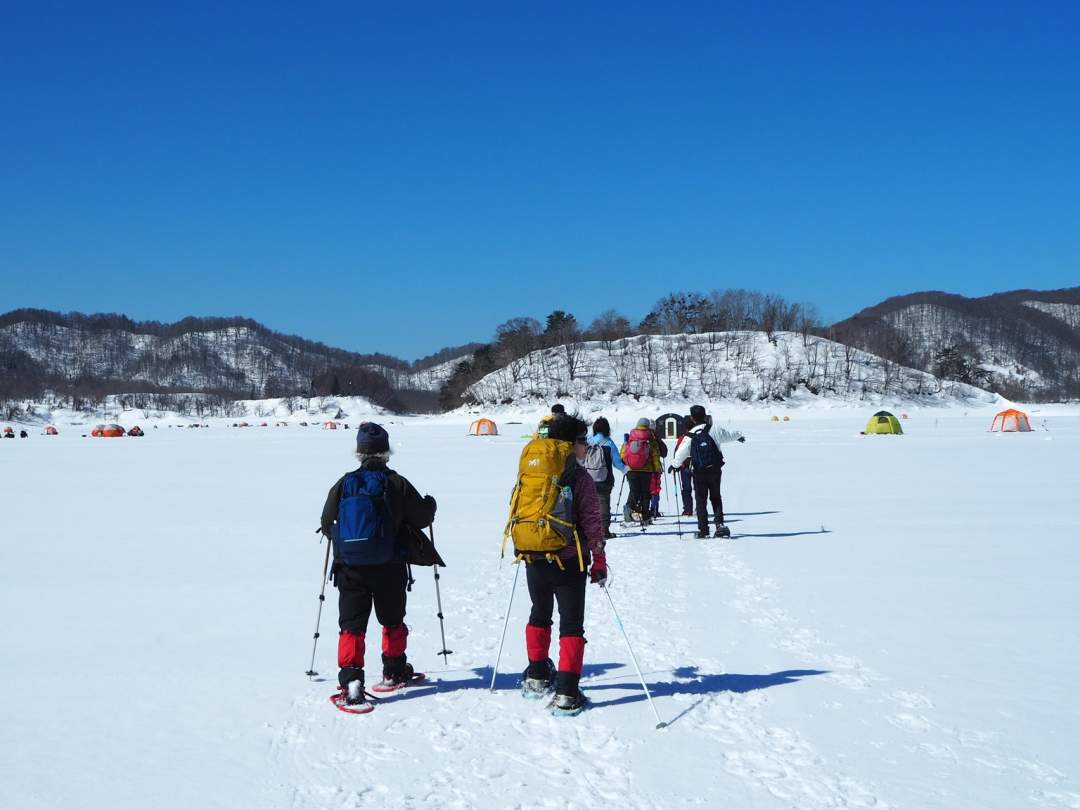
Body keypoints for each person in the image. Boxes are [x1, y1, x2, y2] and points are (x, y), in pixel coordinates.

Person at [320, 422, 437, 707]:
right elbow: (422, 518)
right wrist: (430, 505)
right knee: (393, 620)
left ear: (359, 452)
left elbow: (326, 523)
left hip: (350, 568)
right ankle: (394, 670)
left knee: (352, 625)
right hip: (389, 566)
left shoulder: (345, 483)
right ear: (386, 452)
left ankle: (351, 681)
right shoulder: (396, 482)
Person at [517, 414, 606, 714]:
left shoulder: (533, 472)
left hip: (534, 555)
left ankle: (537, 676)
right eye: (583, 440)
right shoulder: (580, 478)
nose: (586, 446)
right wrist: (600, 561)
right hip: (569, 560)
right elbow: (593, 523)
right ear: (570, 444)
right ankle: (567, 692)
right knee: (571, 623)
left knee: (539, 614)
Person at [670, 405, 745, 538]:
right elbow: (729, 435)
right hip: (715, 469)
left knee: (700, 500)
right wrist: (739, 435)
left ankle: (703, 530)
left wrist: (675, 465)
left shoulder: (690, 434)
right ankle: (719, 525)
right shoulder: (714, 429)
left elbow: (681, 453)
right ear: (705, 416)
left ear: (692, 418)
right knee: (716, 497)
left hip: (698, 471)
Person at [620, 418, 667, 524]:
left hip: (631, 470)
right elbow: (655, 454)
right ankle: (645, 517)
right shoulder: (650, 437)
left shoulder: (631, 436)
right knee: (646, 493)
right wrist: (657, 469)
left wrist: (626, 465)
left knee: (634, 491)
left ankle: (629, 507)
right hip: (647, 470)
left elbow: (623, 453)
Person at [586, 417, 626, 539]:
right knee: (604, 504)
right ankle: (604, 532)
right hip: (605, 479)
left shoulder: (588, 442)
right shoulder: (609, 443)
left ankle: (591, 531)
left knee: (590, 506)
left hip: (588, 479)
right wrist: (626, 470)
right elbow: (617, 462)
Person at [670, 417, 694, 517]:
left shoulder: (682, 438)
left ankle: (688, 509)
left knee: (686, 489)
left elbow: (677, 452)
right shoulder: (699, 436)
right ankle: (701, 508)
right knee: (700, 489)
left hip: (684, 467)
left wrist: (675, 465)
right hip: (698, 466)